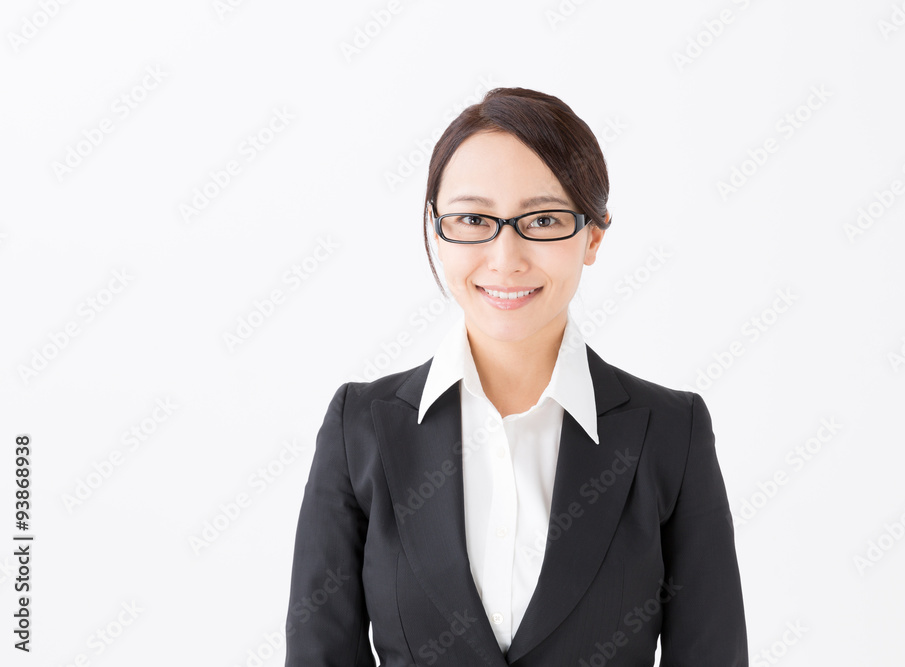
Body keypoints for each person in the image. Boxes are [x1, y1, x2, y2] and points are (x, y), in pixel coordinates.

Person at [283, 87, 749, 666]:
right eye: (473, 219)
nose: (506, 257)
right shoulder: (362, 429)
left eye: (544, 219)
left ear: (593, 236)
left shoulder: (672, 434)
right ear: (436, 230)